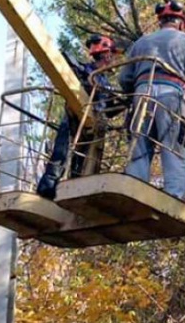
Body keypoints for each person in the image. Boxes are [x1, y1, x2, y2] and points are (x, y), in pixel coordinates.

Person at [119, 1, 185, 200]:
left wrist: (135, 92)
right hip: (171, 95)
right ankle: (174, 199)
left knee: (139, 147)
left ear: (160, 21)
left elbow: (124, 78)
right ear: (181, 23)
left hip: (140, 95)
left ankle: (134, 197)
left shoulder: (141, 43)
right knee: (176, 147)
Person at [36, 34, 125, 200]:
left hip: (93, 126)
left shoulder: (106, 83)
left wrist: (126, 100)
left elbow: (111, 108)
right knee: (61, 152)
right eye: (112, 55)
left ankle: (74, 187)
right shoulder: (86, 70)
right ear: (105, 54)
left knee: (82, 159)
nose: (114, 59)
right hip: (74, 116)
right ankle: (47, 188)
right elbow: (65, 61)